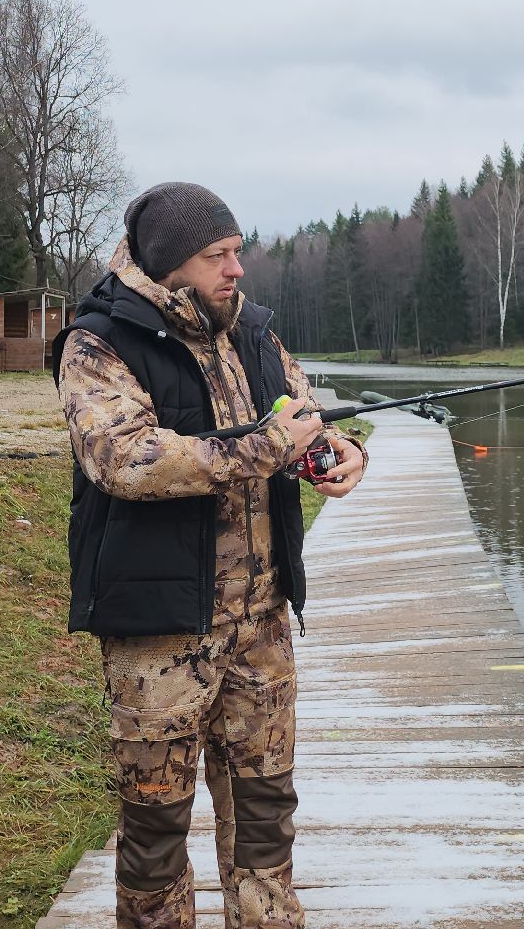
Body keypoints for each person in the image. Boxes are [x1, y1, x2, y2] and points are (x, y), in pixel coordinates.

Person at [51, 181, 366, 929]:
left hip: (261, 626)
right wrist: (270, 446)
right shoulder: (98, 342)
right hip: (159, 633)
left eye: (238, 251)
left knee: (265, 820)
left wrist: (337, 452)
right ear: (170, 263)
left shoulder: (253, 333)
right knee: (155, 835)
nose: (236, 269)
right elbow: (124, 459)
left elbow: (303, 421)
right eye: (217, 255)